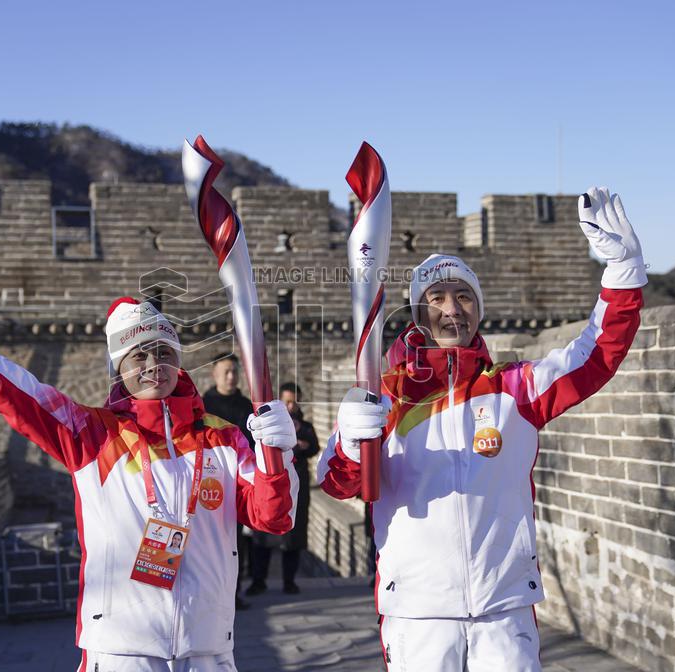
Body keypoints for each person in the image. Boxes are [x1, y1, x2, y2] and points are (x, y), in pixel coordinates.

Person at [0, 275, 300, 672]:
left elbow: (273, 517)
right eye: (137, 355)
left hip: (209, 649)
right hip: (122, 650)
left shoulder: (224, 439)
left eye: (164, 351)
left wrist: (277, 455)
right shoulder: (91, 434)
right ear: (118, 369)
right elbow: (7, 387)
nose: (153, 365)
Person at [317, 188, 647, 671]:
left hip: (504, 607)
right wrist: (348, 441)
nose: (452, 309)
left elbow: (596, 355)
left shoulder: (517, 388)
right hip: (418, 612)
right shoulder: (382, 395)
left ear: (479, 308)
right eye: (436, 298)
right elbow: (336, 482)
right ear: (418, 315)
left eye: (464, 296)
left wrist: (622, 272)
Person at [247, 382, 319, 595]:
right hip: (272, 485)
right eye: (286, 401)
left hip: (298, 487)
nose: (290, 406)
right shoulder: (270, 424)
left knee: (294, 538)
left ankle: (290, 580)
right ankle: (258, 580)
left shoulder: (305, 426)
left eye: (294, 402)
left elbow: (312, 447)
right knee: (263, 536)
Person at [202, 353, 257, 610]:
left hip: (239, 480)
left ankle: (233, 594)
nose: (231, 376)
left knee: (237, 542)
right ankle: (211, 595)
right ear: (214, 374)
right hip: (210, 481)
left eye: (234, 371)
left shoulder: (247, 405)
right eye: (226, 371)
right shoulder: (204, 405)